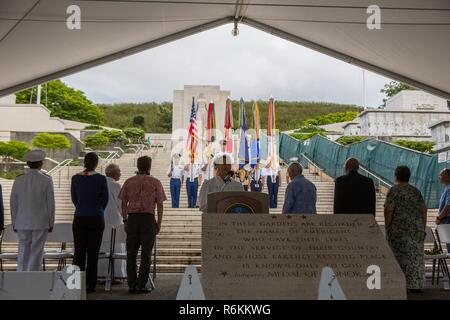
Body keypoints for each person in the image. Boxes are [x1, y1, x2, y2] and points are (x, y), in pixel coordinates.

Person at [119, 156, 166, 293]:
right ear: (149, 166)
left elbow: (123, 203)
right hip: (147, 219)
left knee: (131, 252)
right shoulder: (155, 182)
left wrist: (125, 219)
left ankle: (131, 283)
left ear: (138, 166)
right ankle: (141, 284)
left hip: (132, 219)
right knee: (146, 253)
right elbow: (160, 204)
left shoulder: (129, 181)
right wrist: (159, 222)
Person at [10, 149, 55, 271]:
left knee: (23, 248)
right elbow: (50, 203)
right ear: (41, 163)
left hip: (22, 221)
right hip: (41, 221)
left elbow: (13, 203)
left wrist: (14, 222)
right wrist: (51, 222)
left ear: (28, 164)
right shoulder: (46, 180)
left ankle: (21, 274)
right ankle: (33, 276)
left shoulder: (19, 179)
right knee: (37, 250)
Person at [384, 166, 427, 292]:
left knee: (399, 256)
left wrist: (388, 225)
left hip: (399, 229)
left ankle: (400, 284)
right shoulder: (416, 191)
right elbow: (423, 210)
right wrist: (422, 227)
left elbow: (389, 209)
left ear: (396, 176)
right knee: (415, 257)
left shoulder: (394, 190)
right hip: (416, 229)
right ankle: (416, 285)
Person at [71, 152, 108, 293]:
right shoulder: (101, 179)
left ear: (84, 163)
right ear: (96, 164)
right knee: (93, 253)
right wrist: (98, 209)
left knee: (79, 252)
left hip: (80, 216)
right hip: (96, 217)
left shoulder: (75, 178)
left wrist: (82, 207)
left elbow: (74, 198)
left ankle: (77, 284)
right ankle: (90, 285)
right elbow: (105, 199)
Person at [98, 163, 126, 279]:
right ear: (113, 173)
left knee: (102, 247)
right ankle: (116, 274)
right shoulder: (115, 185)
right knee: (116, 247)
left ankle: (101, 273)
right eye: (119, 171)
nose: (120, 173)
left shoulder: (99, 184)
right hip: (114, 220)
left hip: (100, 218)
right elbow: (121, 205)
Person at [436, 168, 450, 251]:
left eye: (441, 175)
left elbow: (448, 206)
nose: (439, 177)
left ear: (448, 177)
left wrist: (439, 217)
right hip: (445, 219)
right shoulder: (446, 188)